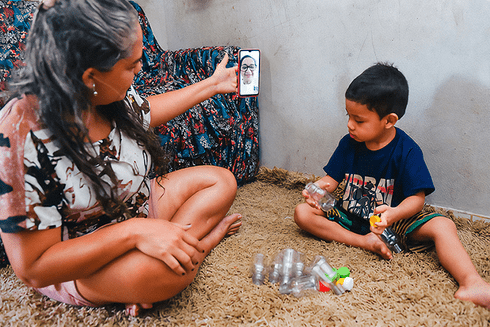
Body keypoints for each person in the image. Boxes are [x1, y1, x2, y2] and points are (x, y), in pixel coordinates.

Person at [0, 0, 242, 317]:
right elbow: (34, 268)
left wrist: (212, 84)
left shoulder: (101, 90)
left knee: (221, 181)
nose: (140, 70)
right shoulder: (20, 135)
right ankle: (193, 248)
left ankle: (160, 254)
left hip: (133, 207)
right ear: (90, 75)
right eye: (131, 65)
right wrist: (135, 233)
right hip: (81, 258)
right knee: (165, 273)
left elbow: (147, 111)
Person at [294, 63, 490, 309]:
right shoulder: (348, 144)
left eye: (359, 120)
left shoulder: (407, 151)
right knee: (302, 213)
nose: (350, 125)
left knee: (444, 225)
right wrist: (318, 190)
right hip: (351, 215)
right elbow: (331, 181)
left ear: (389, 120)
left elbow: (417, 199)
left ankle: (471, 282)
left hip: (395, 223)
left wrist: (394, 213)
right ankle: (364, 241)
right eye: (348, 116)